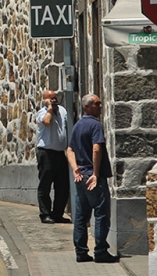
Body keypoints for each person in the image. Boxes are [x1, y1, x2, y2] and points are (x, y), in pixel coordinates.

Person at [66, 94, 119, 264]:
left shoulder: (78, 125)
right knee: (101, 214)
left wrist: (75, 170)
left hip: (81, 176)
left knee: (81, 215)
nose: (101, 106)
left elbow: (69, 150)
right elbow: (97, 149)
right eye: (97, 104)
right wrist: (95, 174)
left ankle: (81, 252)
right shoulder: (95, 125)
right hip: (92, 176)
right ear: (87, 107)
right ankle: (101, 252)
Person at [35, 89, 70, 224]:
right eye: (50, 99)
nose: (54, 100)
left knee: (62, 186)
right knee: (45, 184)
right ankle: (45, 214)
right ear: (45, 100)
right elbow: (47, 122)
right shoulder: (42, 112)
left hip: (60, 153)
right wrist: (49, 108)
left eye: (55, 98)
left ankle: (57, 214)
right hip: (46, 153)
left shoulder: (62, 111)